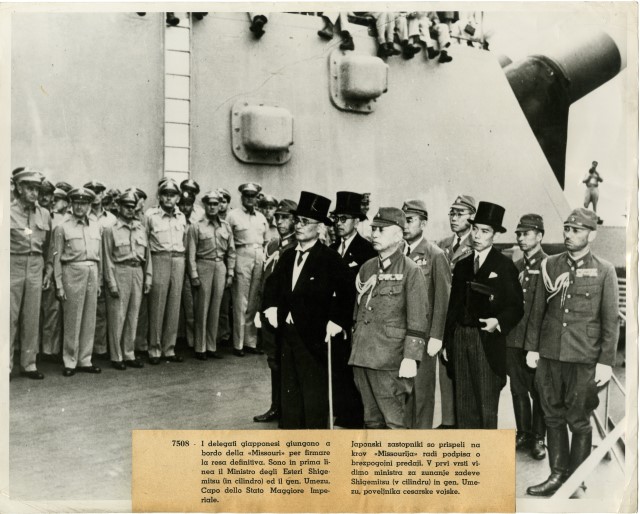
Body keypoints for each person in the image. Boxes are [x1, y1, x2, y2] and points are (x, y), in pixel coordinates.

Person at [526, 208, 619, 497]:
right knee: (552, 416)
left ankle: (576, 480)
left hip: (583, 358)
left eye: (576, 230)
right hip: (550, 355)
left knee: (578, 419)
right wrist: (532, 348)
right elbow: (537, 311)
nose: (569, 234)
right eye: (567, 228)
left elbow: (610, 321)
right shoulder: (550, 265)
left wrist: (605, 362)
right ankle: (557, 475)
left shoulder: (605, 270)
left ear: (591, 235)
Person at [263, 191, 351, 429]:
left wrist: (337, 320)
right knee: (289, 393)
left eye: (305, 221)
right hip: (287, 334)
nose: (299, 226)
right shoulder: (288, 256)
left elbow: (347, 293)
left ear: (320, 227)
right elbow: (272, 284)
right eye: (297, 220)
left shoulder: (330, 259)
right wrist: (271, 307)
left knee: (313, 395)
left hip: (314, 338)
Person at [443, 201, 523, 428]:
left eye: (485, 231)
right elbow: (453, 307)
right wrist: (448, 341)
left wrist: (498, 321)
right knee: (464, 405)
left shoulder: (504, 266)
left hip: (486, 341)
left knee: (486, 406)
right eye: (475, 229)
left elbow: (516, 307)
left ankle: (487, 450)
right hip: (461, 338)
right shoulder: (462, 265)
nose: (477, 235)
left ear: (495, 235)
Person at [349, 207, 429, 429]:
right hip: (362, 356)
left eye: (381, 230)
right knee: (371, 421)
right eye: (374, 229)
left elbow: (417, 318)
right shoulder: (367, 268)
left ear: (398, 235)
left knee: (394, 423)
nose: (374, 234)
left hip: (389, 361)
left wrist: (411, 357)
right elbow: (358, 312)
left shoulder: (411, 270)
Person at [401, 200, 452, 429]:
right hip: (399, 334)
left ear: (423, 223)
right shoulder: (397, 253)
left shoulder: (435, 254)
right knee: (402, 393)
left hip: (423, 336)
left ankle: (421, 440)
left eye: (410, 220)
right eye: (403, 220)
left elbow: (442, 297)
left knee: (421, 393)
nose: (405, 225)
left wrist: (437, 335)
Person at [329, 191, 377, 428]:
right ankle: (342, 415)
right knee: (337, 369)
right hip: (333, 322)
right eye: (336, 218)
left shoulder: (366, 251)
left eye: (344, 219)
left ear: (356, 222)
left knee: (354, 372)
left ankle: (356, 419)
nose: (338, 223)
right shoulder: (331, 249)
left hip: (353, 322)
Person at [506, 214, 548, 460]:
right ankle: (523, 432)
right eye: (518, 234)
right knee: (517, 388)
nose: (521, 238)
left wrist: (538, 345)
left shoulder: (549, 265)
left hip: (536, 342)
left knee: (538, 391)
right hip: (514, 338)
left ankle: (538, 438)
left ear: (539, 236)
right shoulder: (516, 266)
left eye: (526, 234)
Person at [253, 198, 298, 423]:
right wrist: (258, 309)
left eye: (285, 218)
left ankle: (289, 407)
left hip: (285, 313)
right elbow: (264, 280)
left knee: (288, 359)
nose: (279, 221)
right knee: (273, 358)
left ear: (295, 220)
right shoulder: (272, 245)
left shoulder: (297, 247)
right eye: (278, 217)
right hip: (268, 311)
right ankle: (276, 406)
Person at [53, 187, 103, 377]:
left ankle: (85, 359)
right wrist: (59, 284)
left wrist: (99, 281)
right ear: (71, 204)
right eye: (77, 203)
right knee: (73, 319)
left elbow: (100, 256)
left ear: (90, 205)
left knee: (89, 319)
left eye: (84, 203)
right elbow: (56, 258)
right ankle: (70, 360)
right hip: (72, 272)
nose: (80, 207)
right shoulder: (63, 227)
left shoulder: (96, 226)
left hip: (92, 271)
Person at [10, 167, 52, 379]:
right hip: (12, 263)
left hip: (36, 264)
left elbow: (49, 246)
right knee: (8, 317)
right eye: (30, 188)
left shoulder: (44, 214)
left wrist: (48, 269)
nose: (35, 193)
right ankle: (5, 365)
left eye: (37, 189)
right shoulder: (7, 211)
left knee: (32, 317)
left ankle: (29, 364)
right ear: (19, 188)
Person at [102, 190, 151, 370]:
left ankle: (129, 353)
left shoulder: (141, 228)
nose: (130, 210)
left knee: (133, 315)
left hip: (137, 271)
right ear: (119, 207)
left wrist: (148, 278)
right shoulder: (111, 229)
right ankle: (116, 356)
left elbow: (148, 256)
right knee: (118, 316)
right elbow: (107, 258)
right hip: (120, 271)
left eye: (132, 207)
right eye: (126, 206)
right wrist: (111, 283)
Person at [187, 191, 236, 360]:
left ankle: (211, 345)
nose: (213, 207)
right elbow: (191, 253)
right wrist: (194, 274)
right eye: (210, 204)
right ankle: (200, 347)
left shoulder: (226, 227)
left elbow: (231, 252)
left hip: (220, 266)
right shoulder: (196, 226)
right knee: (202, 308)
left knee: (216, 308)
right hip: (203, 265)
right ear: (205, 205)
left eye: (216, 204)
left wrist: (230, 273)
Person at [145, 178, 188, 364]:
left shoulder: (181, 217)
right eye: (165, 194)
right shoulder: (151, 215)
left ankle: (169, 348)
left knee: (174, 305)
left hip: (178, 259)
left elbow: (184, 241)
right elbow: (145, 243)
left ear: (178, 198)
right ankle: (154, 349)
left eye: (173, 195)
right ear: (159, 196)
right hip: (159, 258)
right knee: (157, 304)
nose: (169, 198)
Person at [227, 183, 269, 356]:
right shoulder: (233, 216)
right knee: (240, 301)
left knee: (253, 301)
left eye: (253, 196)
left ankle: (250, 342)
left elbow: (266, 241)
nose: (250, 199)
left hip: (258, 256)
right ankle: (238, 344)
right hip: (241, 255)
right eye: (247, 195)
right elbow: (228, 242)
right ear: (242, 197)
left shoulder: (261, 217)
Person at [84, 180, 117, 360]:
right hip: (90, 264)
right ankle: (86, 351)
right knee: (88, 310)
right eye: (91, 191)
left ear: (103, 194)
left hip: (108, 266)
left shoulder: (111, 219)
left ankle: (101, 348)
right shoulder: (82, 215)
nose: (95, 195)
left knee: (104, 309)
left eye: (98, 192)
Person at [40, 188, 70, 362]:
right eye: (42, 194)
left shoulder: (60, 219)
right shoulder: (34, 215)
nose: (46, 198)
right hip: (35, 264)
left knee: (52, 311)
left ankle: (49, 350)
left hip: (53, 266)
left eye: (50, 195)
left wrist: (51, 269)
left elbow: (55, 247)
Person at [178, 190, 198, 350]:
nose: (185, 208)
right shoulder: (176, 221)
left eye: (188, 204)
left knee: (191, 304)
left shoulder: (196, 223)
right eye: (182, 204)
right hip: (177, 264)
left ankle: (192, 341)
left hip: (192, 266)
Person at [437, 194, 476, 271]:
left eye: (460, 214)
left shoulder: (476, 245)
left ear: (472, 216)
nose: (454, 219)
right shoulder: (441, 244)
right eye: (452, 214)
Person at [216, 187, 233, 346]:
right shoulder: (208, 217)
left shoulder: (231, 219)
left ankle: (224, 335)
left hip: (228, 263)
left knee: (226, 304)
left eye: (224, 201)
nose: (221, 204)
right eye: (218, 201)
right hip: (214, 263)